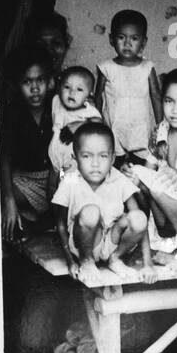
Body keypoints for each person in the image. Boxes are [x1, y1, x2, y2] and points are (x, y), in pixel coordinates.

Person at [51, 122, 149, 287]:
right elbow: (60, 225)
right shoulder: (70, 181)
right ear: (75, 158)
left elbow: (141, 221)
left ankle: (115, 259)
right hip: (82, 245)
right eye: (87, 156)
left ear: (112, 159)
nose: (95, 164)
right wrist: (70, 261)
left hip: (112, 242)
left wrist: (148, 264)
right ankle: (87, 261)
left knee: (138, 218)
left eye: (103, 156)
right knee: (91, 212)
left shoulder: (118, 179)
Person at [128, 66, 177, 271]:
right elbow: (149, 168)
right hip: (167, 207)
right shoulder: (161, 130)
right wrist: (135, 176)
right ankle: (166, 241)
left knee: (158, 185)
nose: (175, 110)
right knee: (136, 175)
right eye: (169, 101)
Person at [0, 45, 55, 240]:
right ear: (16, 85)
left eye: (40, 80)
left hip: (54, 178)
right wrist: (9, 202)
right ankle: (30, 218)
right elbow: (4, 158)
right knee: (0, 191)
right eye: (26, 82)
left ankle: (41, 220)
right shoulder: (13, 113)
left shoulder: (58, 107)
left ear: (50, 82)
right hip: (26, 180)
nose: (34, 89)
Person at [95, 10, 162, 157]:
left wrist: (162, 129)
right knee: (115, 165)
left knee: (142, 167)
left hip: (141, 129)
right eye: (121, 37)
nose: (127, 43)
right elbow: (98, 97)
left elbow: (156, 96)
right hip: (114, 127)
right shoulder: (106, 67)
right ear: (111, 39)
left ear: (143, 42)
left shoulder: (147, 67)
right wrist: (98, 124)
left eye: (134, 38)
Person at [48, 65, 102, 177]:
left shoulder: (89, 112)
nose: (72, 93)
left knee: (68, 187)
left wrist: (83, 124)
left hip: (73, 163)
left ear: (89, 95)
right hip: (55, 159)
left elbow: (99, 123)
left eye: (79, 89)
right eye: (67, 87)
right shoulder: (56, 101)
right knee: (52, 189)